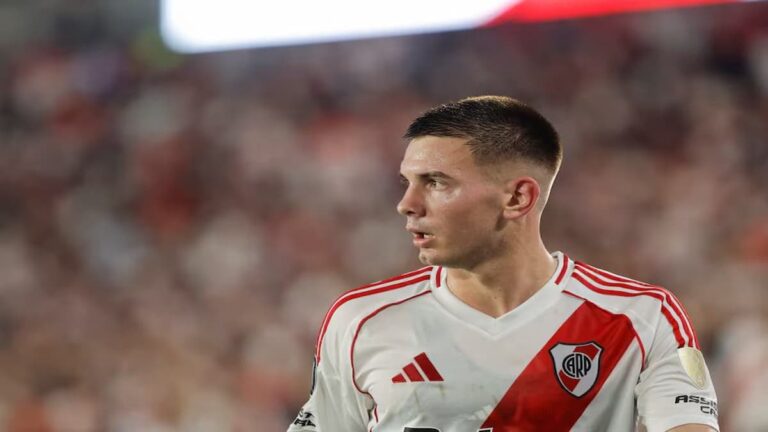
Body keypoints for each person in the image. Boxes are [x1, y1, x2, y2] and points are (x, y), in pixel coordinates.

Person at [287, 96, 719, 431]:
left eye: (436, 183)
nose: (407, 205)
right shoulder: (361, 320)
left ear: (518, 198)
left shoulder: (640, 318)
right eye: (408, 183)